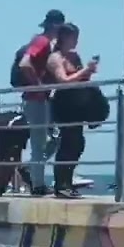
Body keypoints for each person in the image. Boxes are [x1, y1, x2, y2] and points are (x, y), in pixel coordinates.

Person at [45, 22, 99, 199]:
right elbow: (63, 80)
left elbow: (80, 78)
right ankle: (61, 185)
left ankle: (68, 182)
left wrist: (88, 71)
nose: (76, 41)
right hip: (63, 103)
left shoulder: (74, 57)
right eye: (74, 37)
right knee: (68, 142)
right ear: (65, 37)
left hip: (77, 103)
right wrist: (85, 70)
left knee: (78, 143)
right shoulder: (55, 58)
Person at [15, 9, 65, 196]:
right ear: (56, 25)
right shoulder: (42, 42)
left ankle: (32, 172)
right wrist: (39, 86)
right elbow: (25, 64)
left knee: (52, 138)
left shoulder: (44, 43)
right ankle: (37, 185)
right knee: (39, 143)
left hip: (37, 98)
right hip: (35, 99)